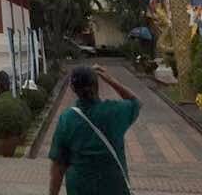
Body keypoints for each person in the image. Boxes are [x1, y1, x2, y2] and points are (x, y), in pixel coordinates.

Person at [49, 64, 142, 195]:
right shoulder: (114, 112)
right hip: (114, 189)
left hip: (80, 189)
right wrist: (111, 80)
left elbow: (58, 165)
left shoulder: (67, 119)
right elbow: (136, 103)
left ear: (72, 88)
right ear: (96, 85)